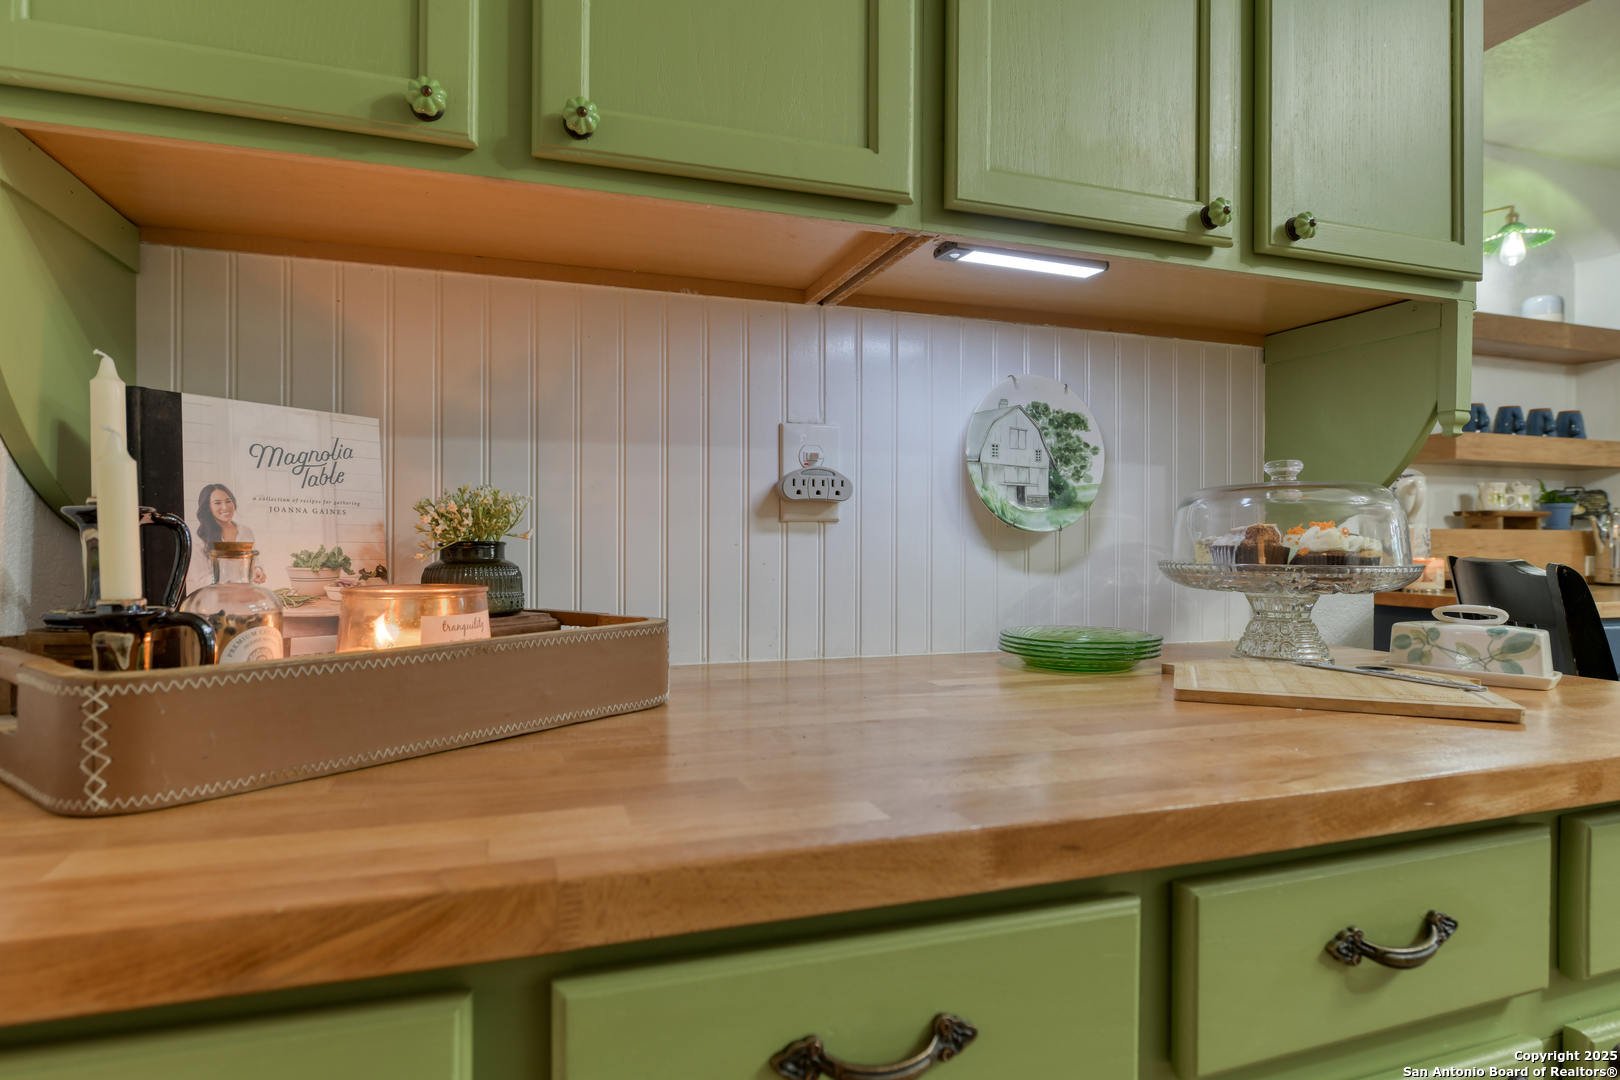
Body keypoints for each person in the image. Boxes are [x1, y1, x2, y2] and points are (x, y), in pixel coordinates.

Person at [187, 483, 267, 591]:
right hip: (215, 599)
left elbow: (255, 561)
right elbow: (201, 580)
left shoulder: (246, 532)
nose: (225, 507)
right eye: (217, 503)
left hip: (244, 595)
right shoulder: (198, 536)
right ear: (208, 508)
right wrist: (236, 577)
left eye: (228, 501)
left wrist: (257, 570)